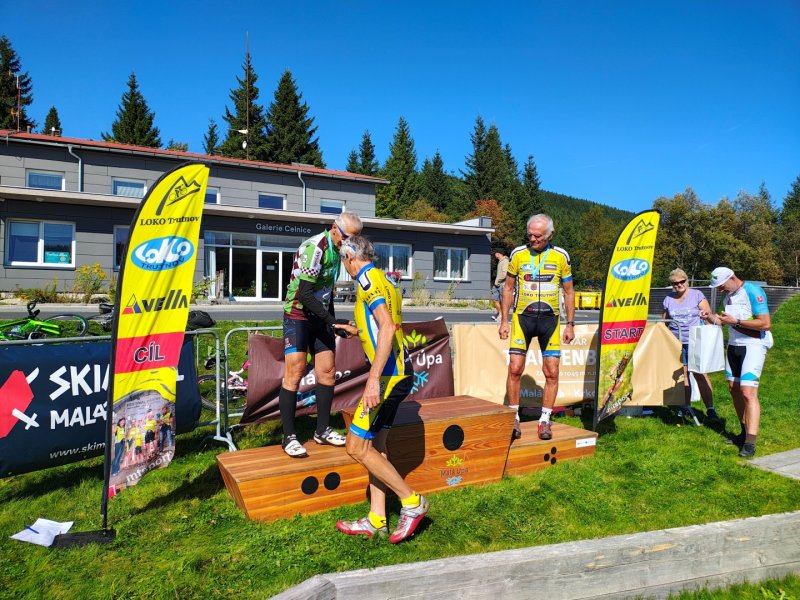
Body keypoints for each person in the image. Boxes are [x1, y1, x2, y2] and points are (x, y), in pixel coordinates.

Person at [332, 235, 428, 544]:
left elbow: (386, 326)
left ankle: (412, 502)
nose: (344, 266)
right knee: (375, 445)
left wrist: (373, 380)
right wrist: (356, 331)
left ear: (350, 257)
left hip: (388, 376)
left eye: (342, 260)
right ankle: (376, 519)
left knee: (355, 446)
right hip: (399, 371)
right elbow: (384, 325)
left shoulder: (366, 280)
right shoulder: (385, 279)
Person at [280, 211, 364, 458]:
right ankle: (288, 437)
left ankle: (322, 430)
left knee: (327, 371)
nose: (350, 244)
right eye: (348, 238)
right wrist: (333, 322)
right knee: (295, 372)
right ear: (334, 228)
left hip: (320, 315)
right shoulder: (315, 248)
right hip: (298, 313)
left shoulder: (338, 250)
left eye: (355, 240)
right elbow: (305, 295)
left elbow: (326, 293)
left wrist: (332, 322)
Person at [499, 214, 575, 440]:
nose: (532, 239)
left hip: (550, 321)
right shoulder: (518, 254)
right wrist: (504, 320)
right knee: (515, 368)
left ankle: (544, 420)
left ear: (550, 235)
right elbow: (508, 288)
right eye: (530, 235)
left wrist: (570, 324)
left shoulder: (561, 256)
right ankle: (514, 417)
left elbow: (569, 291)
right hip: (523, 319)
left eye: (538, 236)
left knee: (551, 371)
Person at [700, 267, 772, 458]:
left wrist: (736, 322)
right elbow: (723, 321)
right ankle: (743, 432)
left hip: (753, 345)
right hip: (734, 346)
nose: (720, 289)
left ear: (732, 278)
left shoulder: (753, 291)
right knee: (734, 389)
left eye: (721, 285)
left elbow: (765, 323)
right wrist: (710, 317)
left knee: (748, 392)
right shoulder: (728, 297)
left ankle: (750, 442)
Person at [662, 268, 717, 421]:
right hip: (677, 343)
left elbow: (709, 316)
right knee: (683, 375)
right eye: (675, 283)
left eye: (682, 281)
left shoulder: (697, 295)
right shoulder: (668, 299)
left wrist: (708, 320)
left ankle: (710, 409)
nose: (679, 285)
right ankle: (686, 406)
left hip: (695, 340)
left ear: (687, 281)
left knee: (700, 374)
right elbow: (665, 322)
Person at [490, 249, 509, 321]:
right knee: (494, 299)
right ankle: (500, 313)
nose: (494, 255)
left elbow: (504, 274)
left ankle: (501, 315)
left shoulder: (505, 261)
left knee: (502, 301)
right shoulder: (500, 261)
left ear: (498, 253)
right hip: (497, 284)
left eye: (495, 253)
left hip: (502, 284)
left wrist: (498, 280)